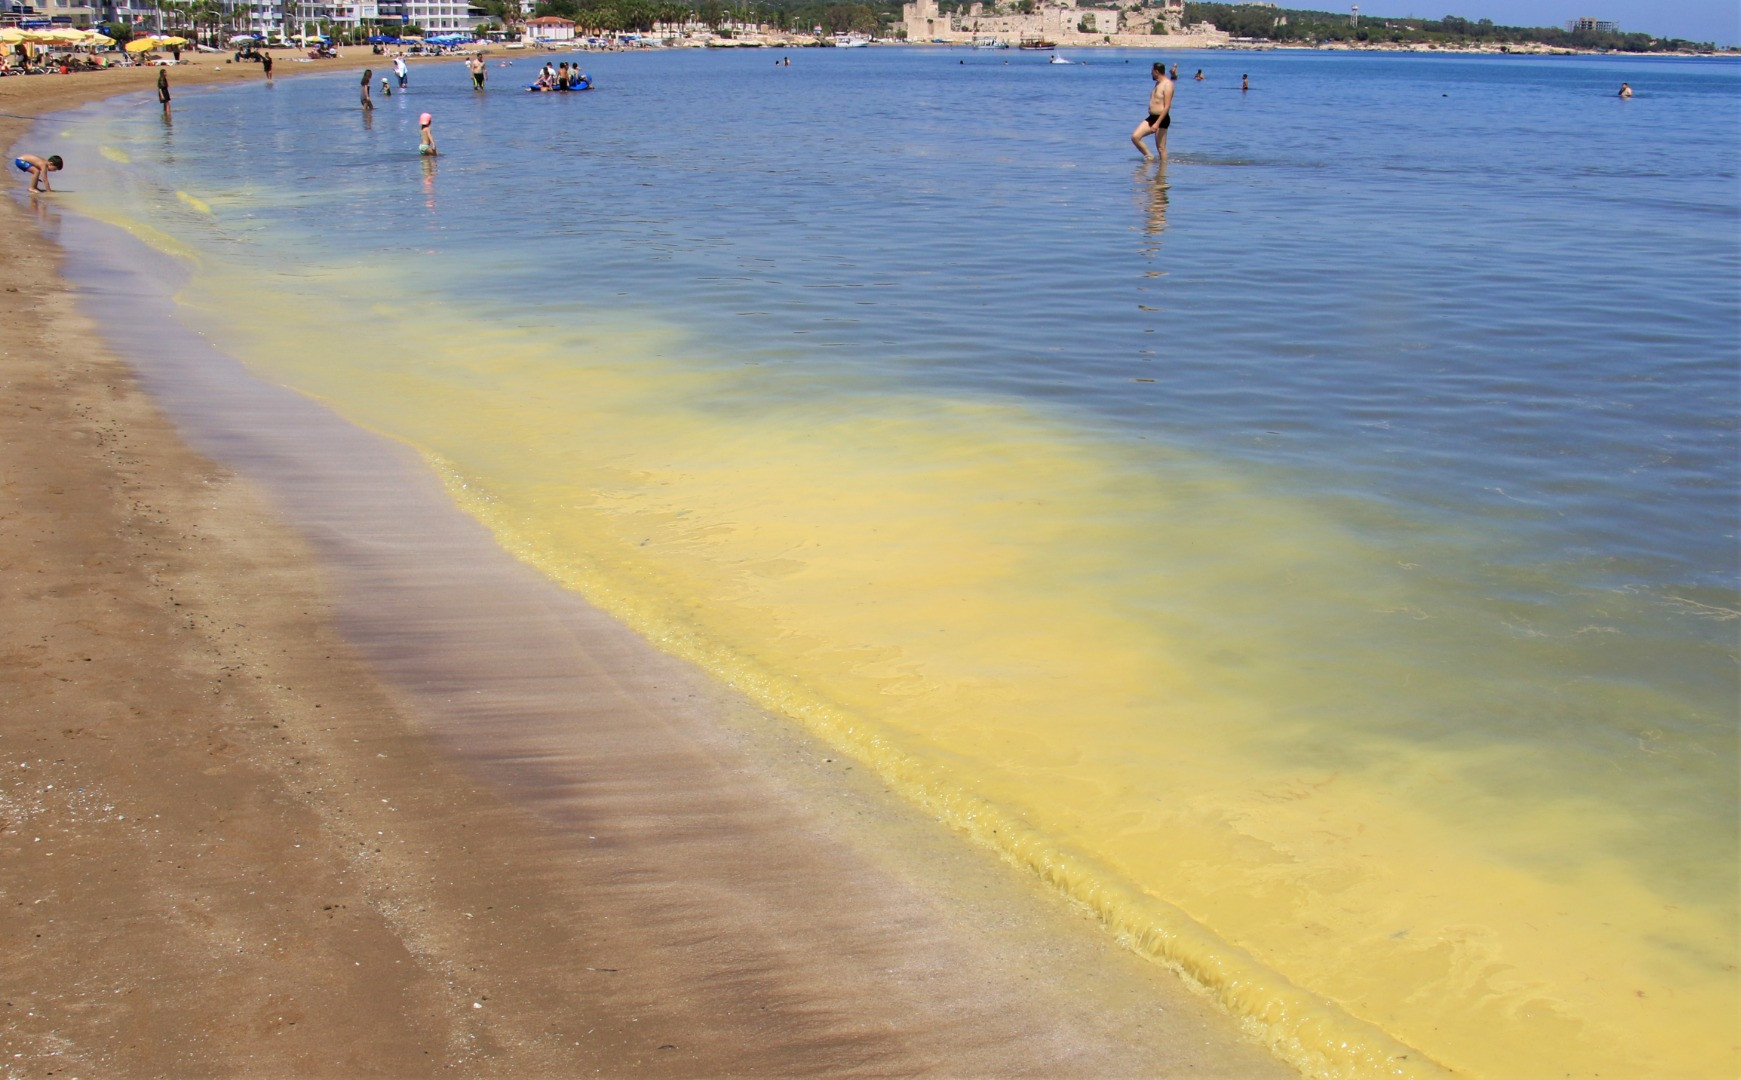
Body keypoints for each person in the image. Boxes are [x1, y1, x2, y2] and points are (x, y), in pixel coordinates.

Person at [1130, 61, 1174, 162]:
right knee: (1135, 137)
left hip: (1161, 119)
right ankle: (1149, 157)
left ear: (1156, 71)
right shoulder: (1157, 83)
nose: (1151, 74)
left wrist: (1157, 123)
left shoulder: (1167, 85)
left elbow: (1167, 106)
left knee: (1161, 148)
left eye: (1152, 71)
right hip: (1151, 117)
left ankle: (1162, 173)